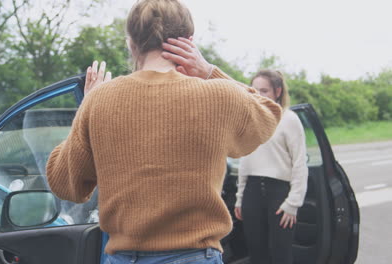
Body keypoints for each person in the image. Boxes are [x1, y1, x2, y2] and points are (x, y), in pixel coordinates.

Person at [46, 0, 282, 263]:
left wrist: (87, 107)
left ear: (131, 44)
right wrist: (208, 72)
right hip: (196, 257)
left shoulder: (100, 99)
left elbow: (64, 184)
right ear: (189, 42)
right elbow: (269, 113)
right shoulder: (219, 96)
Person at [234, 70, 309, 264]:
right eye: (254, 90)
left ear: (277, 91)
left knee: (280, 255)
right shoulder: (248, 119)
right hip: (252, 193)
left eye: (264, 90)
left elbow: (300, 163)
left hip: (279, 195)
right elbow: (245, 161)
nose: (258, 95)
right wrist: (240, 198)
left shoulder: (289, 119)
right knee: (257, 255)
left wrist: (293, 203)